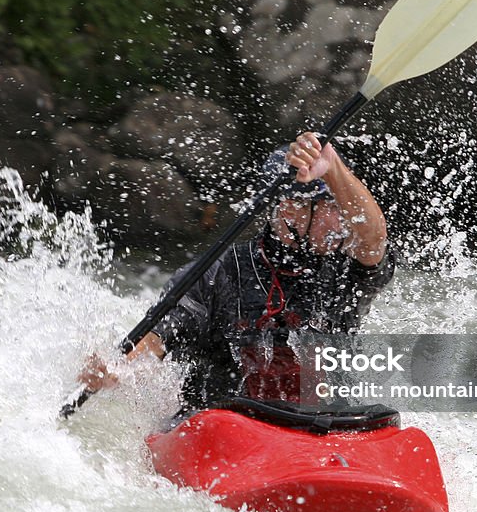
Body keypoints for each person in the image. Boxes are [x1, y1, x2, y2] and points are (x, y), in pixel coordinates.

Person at [78, 132, 395, 410]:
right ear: (288, 209)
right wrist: (119, 370)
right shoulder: (215, 274)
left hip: (321, 430)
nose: (343, 222)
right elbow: (158, 339)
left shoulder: (342, 273)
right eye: (333, 209)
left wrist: (332, 167)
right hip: (228, 426)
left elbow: (373, 237)